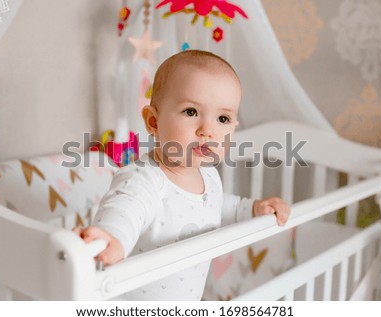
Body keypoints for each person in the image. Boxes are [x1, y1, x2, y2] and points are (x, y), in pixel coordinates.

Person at [73, 50, 290, 300]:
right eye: (191, 112)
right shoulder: (144, 178)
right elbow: (126, 208)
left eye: (223, 118)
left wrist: (252, 208)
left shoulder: (209, 178)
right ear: (153, 122)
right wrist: (112, 238)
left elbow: (219, 205)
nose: (207, 130)